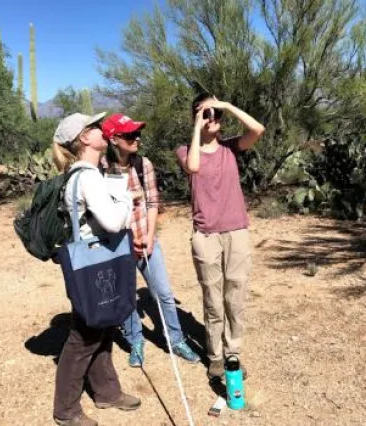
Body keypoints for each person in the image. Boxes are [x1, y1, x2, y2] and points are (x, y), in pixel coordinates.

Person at [51, 112, 141, 426]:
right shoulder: (87, 176)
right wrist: (129, 199)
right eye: (95, 127)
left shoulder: (87, 173)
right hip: (93, 264)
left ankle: (107, 393)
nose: (102, 129)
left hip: (94, 261)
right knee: (83, 336)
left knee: (101, 326)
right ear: (84, 138)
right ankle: (66, 411)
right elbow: (114, 221)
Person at [175, 93, 265, 381]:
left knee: (234, 297)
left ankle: (233, 352)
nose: (212, 118)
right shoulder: (185, 150)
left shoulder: (230, 148)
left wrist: (225, 106)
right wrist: (198, 125)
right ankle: (214, 356)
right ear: (196, 118)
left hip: (236, 230)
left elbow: (257, 130)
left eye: (216, 115)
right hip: (206, 234)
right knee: (212, 299)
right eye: (206, 114)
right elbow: (193, 167)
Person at [100, 113, 200, 367]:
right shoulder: (100, 168)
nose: (137, 139)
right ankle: (135, 340)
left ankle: (175, 339)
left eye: (138, 133)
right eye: (131, 134)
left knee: (163, 293)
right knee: (126, 297)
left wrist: (150, 236)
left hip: (147, 239)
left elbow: (153, 203)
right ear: (114, 140)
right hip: (117, 245)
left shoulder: (144, 164)